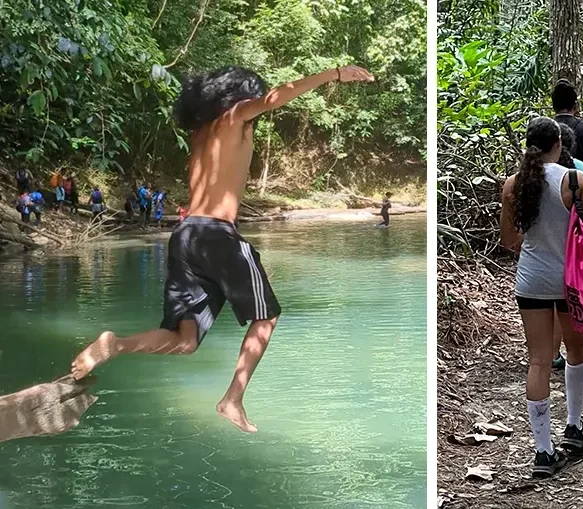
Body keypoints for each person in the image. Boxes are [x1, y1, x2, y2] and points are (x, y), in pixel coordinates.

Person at [70, 64, 375, 433]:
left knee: (184, 341)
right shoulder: (234, 118)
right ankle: (233, 398)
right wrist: (334, 75)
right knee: (267, 316)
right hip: (217, 234)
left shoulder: (199, 134)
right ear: (238, 96)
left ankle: (116, 345)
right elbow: (276, 98)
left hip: (185, 236)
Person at [500, 117, 583, 477]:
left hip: (530, 280)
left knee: (539, 361)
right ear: (559, 142)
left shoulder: (513, 184)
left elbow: (509, 240)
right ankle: (574, 427)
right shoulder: (575, 180)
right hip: (570, 280)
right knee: (576, 351)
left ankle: (543, 451)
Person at [551, 124, 583, 370]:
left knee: (553, 308)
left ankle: (555, 352)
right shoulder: (579, 171)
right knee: (569, 305)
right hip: (574, 254)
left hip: (540, 263)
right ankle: (573, 354)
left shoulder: (530, 175)